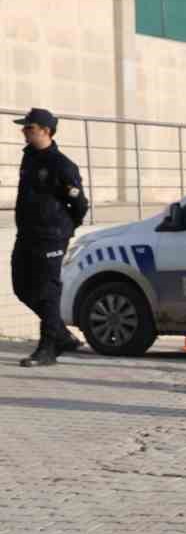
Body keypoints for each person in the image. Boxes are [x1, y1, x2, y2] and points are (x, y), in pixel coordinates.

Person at [11, 108, 88, 367]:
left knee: (47, 290)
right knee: (22, 287)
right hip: (27, 235)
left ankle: (48, 348)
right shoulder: (30, 158)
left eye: (29, 127)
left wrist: (66, 228)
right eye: (24, 127)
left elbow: (79, 204)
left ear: (45, 131)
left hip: (51, 237)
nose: (24, 131)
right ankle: (62, 335)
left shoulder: (62, 165)